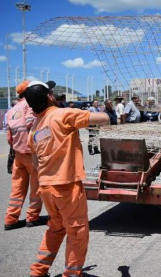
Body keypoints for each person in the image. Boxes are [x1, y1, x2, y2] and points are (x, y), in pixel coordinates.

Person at [25, 80, 110, 277]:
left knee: (55, 228)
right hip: (66, 186)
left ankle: (38, 271)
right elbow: (103, 118)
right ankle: (71, 273)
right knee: (77, 232)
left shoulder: (35, 128)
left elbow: (36, 163)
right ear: (49, 97)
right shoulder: (62, 114)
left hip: (46, 187)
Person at [4, 81, 44, 231]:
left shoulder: (12, 109)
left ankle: (10, 219)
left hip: (18, 154)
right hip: (30, 153)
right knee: (36, 187)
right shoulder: (29, 105)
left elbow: (9, 136)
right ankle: (32, 217)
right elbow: (31, 124)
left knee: (17, 188)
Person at [4, 99, 18, 174]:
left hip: (14, 133)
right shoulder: (9, 113)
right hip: (11, 132)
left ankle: (13, 166)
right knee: (12, 152)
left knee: (15, 151)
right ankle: (10, 168)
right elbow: (7, 125)